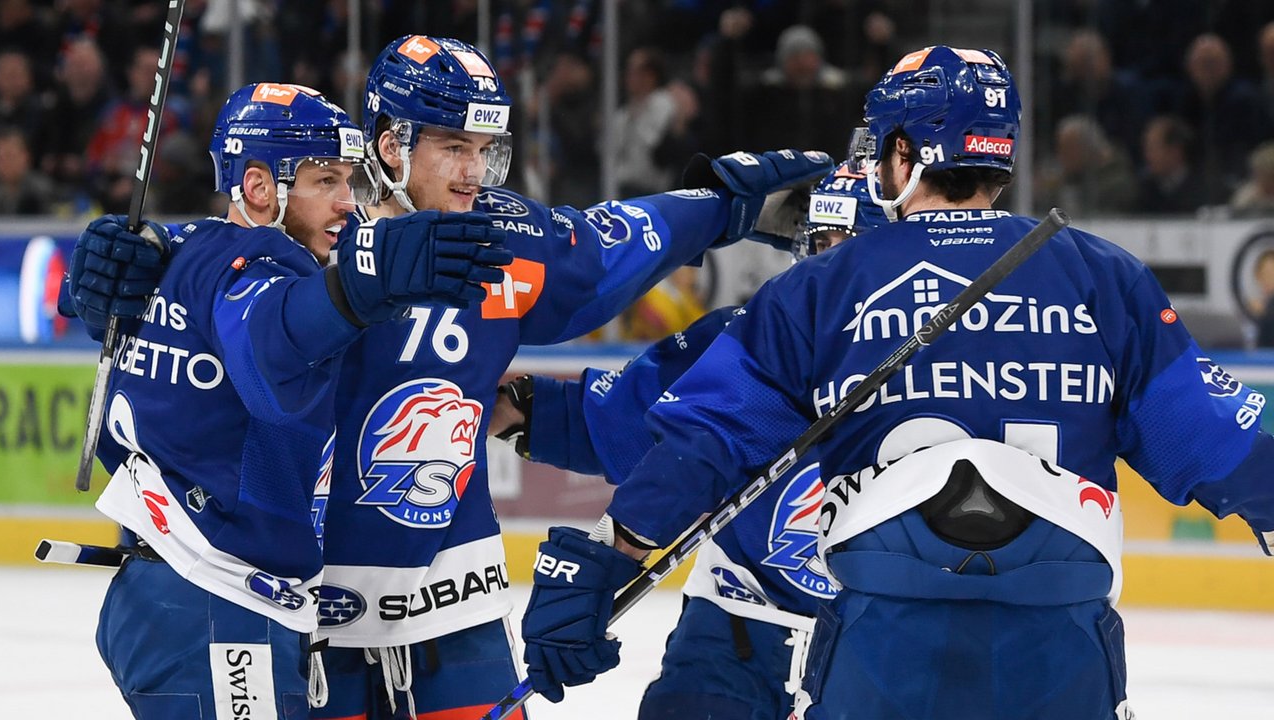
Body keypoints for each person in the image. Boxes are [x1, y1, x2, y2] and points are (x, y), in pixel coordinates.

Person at [68, 35, 833, 720]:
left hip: (453, 611)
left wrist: (724, 206)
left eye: (487, 150)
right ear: (390, 144)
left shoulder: (501, 239)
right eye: (454, 147)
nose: (474, 172)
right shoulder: (307, 238)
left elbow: (608, 248)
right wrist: (144, 258)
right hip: (309, 621)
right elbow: (220, 264)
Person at [517, 45, 1274, 720]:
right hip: (1061, 646)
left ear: (905, 154)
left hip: (886, 641)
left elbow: (710, 440)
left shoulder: (825, 285)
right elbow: (1215, 445)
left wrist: (608, 556)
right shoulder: (1103, 277)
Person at [67, 82, 511, 720]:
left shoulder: (179, 253)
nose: (347, 203)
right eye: (325, 181)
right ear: (258, 186)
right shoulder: (260, 265)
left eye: (349, 181)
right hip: (216, 601)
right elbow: (266, 352)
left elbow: (105, 286)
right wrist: (360, 289)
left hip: (173, 593)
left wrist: (90, 268)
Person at [490, 165, 884, 720]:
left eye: (849, 246)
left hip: (884, 643)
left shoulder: (961, 356)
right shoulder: (751, 333)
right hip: (736, 631)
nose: (827, 265)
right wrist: (478, 399)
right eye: (820, 243)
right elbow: (626, 422)